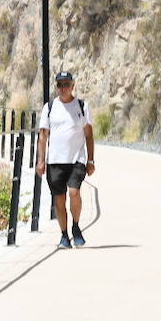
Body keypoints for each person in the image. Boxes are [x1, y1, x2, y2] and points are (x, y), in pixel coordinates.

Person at [35, 70, 95, 248]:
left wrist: (90, 160)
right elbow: (43, 136)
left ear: (72, 86)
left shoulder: (82, 106)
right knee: (59, 200)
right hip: (55, 161)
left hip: (77, 159)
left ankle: (76, 227)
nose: (63, 88)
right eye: (60, 85)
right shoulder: (50, 107)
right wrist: (40, 160)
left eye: (66, 84)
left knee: (74, 192)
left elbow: (89, 135)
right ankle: (64, 235)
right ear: (57, 87)